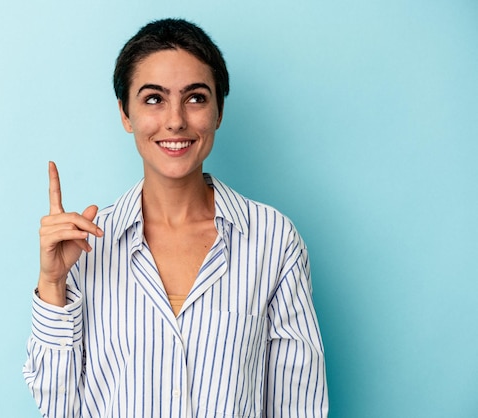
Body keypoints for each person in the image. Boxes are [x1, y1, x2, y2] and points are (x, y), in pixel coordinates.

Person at [23, 18, 328, 417]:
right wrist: (52, 284)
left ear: (218, 111)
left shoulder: (273, 239)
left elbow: (297, 404)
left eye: (196, 97)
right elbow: (57, 407)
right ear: (125, 114)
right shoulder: (84, 245)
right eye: (153, 99)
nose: (175, 121)